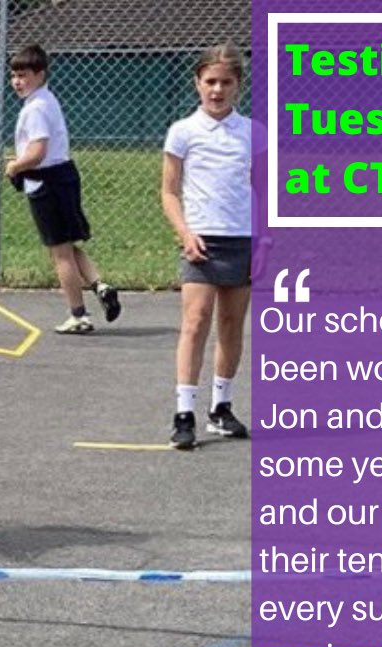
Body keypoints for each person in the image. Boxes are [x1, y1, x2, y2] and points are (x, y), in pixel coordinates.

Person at [161, 42, 270, 450]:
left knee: (230, 325)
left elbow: (263, 192)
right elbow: (169, 192)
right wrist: (186, 233)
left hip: (241, 239)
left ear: (239, 85)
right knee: (195, 321)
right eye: (210, 81)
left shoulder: (253, 133)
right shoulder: (183, 132)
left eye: (226, 82)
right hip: (200, 241)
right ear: (197, 83)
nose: (217, 90)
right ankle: (184, 413)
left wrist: (265, 242)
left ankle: (220, 408)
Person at [4, 43, 121, 335]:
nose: (18, 81)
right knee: (68, 245)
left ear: (41, 74)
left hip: (47, 182)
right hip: (63, 177)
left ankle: (78, 314)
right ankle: (100, 285)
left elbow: (38, 151)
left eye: (25, 74)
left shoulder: (36, 108)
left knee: (60, 254)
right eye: (14, 75)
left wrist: (15, 166)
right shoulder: (47, 101)